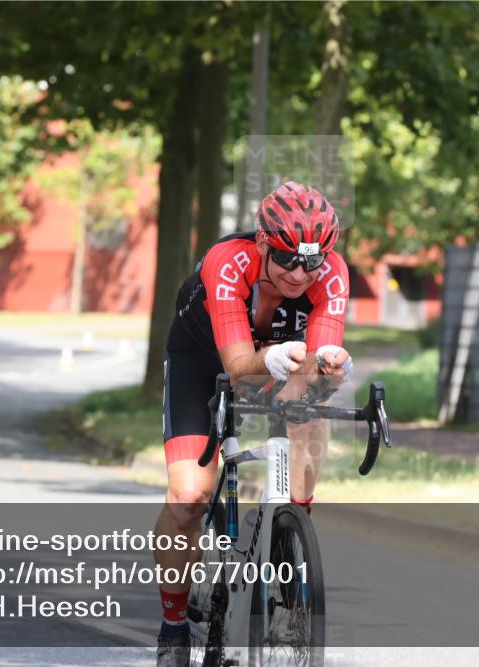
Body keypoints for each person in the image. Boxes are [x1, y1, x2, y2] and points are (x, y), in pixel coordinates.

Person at [154, 182, 353, 666]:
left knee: (306, 415)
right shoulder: (228, 260)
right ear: (264, 242)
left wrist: (327, 369)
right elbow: (240, 361)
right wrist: (277, 358)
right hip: (205, 361)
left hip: (278, 358)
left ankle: (288, 539)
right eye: (288, 260)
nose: (301, 274)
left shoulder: (331, 274)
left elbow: (316, 362)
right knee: (187, 499)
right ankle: (174, 625)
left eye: (313, 262)